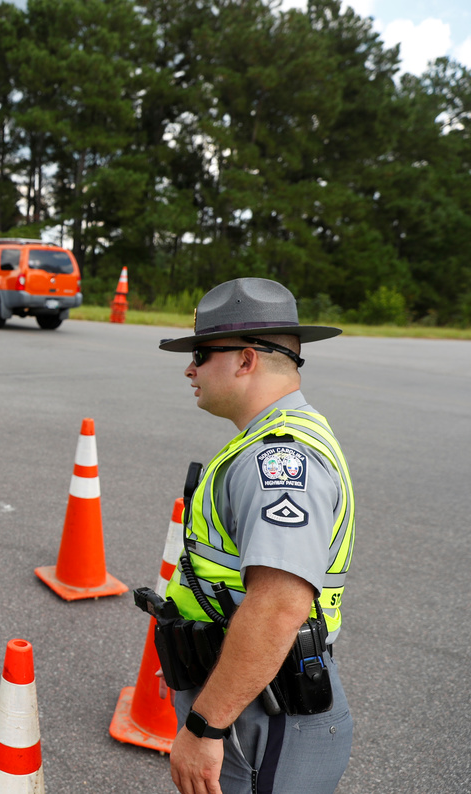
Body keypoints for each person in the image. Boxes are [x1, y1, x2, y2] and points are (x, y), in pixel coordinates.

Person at [156, 278, 355, 794]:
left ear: (246, 360)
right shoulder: (274, 436)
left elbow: (280, 605)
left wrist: (205, 726)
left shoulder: (278, 459)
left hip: (261, 715)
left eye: (201, 354)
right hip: (253, 693)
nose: (190, 369)